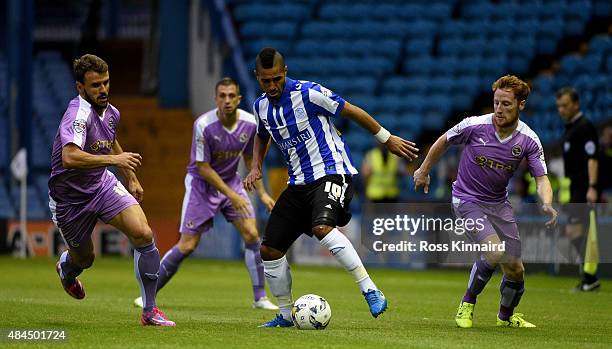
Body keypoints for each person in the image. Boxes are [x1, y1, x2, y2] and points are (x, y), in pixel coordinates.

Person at [243, 47, 419, 327]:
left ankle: (370, 289)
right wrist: (255, 166)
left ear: (285, 72)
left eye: (277, 78)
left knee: (322, 228)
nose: (273, 85)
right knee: (270, 250)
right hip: (298, 183)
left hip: (332, 172)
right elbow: (261, 136)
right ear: (257, 77)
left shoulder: (309, 93)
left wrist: (386, 139)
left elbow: (351, 111)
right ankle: (286, 315)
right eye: (266, 81)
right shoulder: (261, 107)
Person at [414, 75, 557, 328]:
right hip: (466, 199)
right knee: (493, 250)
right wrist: (423, 170)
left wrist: (546, 202)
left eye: (506, 104)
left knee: (516, 270)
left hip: (499, 205)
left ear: (521, 105)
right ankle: (467, 303)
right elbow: (442, 141)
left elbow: (542, 178)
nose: (499, 110)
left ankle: (505, 317)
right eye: (496, 103)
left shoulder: (529, 140)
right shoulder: (474, 125)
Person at [48, 54, 175, 326]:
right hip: (70, 201)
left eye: (105, 83)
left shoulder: (112, 112)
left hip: (101, 185)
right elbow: (69, 157)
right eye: (95, 86)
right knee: (85, 259)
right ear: (80, 88)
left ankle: (150, 311)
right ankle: (67, 269)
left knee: (143, 233)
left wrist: (130, 177)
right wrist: (115, 161)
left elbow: (111, 142)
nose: (103, 89)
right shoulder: (77, 114)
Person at [134, 78, 278, 310]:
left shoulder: (251, 124)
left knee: (252, 234)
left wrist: (261, 193)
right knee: (188, 245)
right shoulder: (203, 125)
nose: (227, 100)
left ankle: (260, 298)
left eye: (232, 96)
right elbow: (203, 167)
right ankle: (147, 295)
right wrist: (232, 195)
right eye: (222, 96)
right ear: (216, 99)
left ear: (239, 99)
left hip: (231, 183)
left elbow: (252, 161)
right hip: (201, 187)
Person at [556, 87, 600, 291]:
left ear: (576, 104)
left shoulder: (585, 127)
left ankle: (590, 278)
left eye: (565, 105)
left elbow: (593, 158)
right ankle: (588, 276)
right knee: (574, 231)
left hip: (584, 187)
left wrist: (592, 187)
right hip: (575, 187)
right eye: (559, 106)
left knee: (583, 231)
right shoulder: (571, 128)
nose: (561, 110)